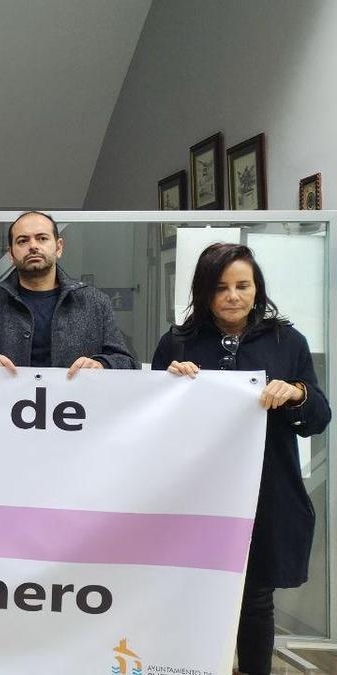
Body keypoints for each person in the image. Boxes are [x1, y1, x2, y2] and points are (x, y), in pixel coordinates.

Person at [152, 243, 330, 675]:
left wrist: (296, 393)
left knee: (254, 599)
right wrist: (167, 386)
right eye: (221, 287)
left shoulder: (287, 341)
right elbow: (149, 423)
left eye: (243, 285)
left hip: (264, 490)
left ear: (257, 288)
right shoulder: (177, 341)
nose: (233, 296)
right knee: (191, 592)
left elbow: (319, 418)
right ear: (204, 291)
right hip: (194, 493)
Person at [0, 210, 137, 373]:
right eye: (23, 240)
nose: (33, 246)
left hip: (74, 409)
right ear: (10, 254)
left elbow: (126, 362)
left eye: (42, 238)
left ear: (58, 247)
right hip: (5, 409)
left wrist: (101, 365)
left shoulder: (95, 303)